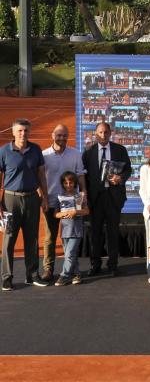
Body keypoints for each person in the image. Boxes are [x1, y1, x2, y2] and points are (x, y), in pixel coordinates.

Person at [1, 119, 50, 290]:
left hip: (32, 199)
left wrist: (44, 196)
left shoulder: (35, 149)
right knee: (9, 239)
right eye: (20, 131)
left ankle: (32, 275)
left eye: (26, 131)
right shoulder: (4, 151)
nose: (23, 134)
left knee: (32, 238)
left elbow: (41, 174)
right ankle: (7, 277)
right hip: (10, 200)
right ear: (13, 133)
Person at [82, 122, 132, 277]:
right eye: (100, 132)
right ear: (95, 134)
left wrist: (120, 177)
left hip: (113, 197)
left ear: (111, 133)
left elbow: (128, 169)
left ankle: (113, 265)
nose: (103, 135)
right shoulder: (88, 152)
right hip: (96, 199)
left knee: (113, 232)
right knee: (95, 233)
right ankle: (95, 265)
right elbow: (84, 175)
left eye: (106, 132)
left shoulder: (120, 150)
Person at [41, 124, 87, 282]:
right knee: (50, 237)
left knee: (70, 237)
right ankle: (48, 269)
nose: (62, 138)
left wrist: (83, 193)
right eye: (59, 135)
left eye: (64, 135)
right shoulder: (44, 155)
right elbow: (40, 179)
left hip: (72, 203)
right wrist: (43, 198)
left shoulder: (75, 153)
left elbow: (80, 176)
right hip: (51, 202)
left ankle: (74, 272)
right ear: (52, 135)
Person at [53, 171, 89, 286]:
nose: (68, 185)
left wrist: (75, 212)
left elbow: (87, 211)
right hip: (64, 231)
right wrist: (64, 214)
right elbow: (55, 214)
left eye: (71, 183)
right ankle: (77, 274)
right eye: (66, 183)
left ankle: (64, 276)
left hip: (76, 230)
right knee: (71, 255)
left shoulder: (80, 196)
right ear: (62, 184)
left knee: (69, 254)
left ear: (75, 183)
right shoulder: (59, 197)